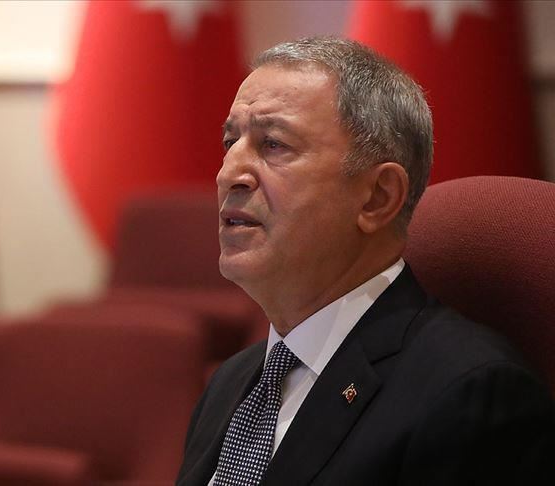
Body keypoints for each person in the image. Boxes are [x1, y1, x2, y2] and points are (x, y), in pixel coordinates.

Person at [176, 37, 555, 486]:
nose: (227, 174)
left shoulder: (469, 394)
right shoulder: (232, 382)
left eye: (273, 144)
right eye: (229, 142)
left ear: (378, 197)